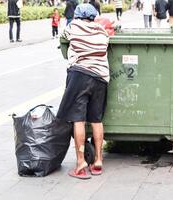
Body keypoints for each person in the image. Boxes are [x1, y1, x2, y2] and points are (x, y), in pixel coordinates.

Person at [57, 3, 109, 180]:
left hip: (80, 75)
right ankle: (99, 160)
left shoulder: (74, 26)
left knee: (78, 120)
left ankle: (81, 163)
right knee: (96, 119)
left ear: (78, 16)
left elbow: (62, 38)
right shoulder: (102, 30)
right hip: (101, 78)